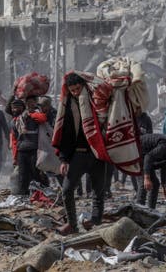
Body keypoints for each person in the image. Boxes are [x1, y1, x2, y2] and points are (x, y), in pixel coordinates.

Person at [53, 73, 108, 235]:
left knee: (98, 191)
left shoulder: (96, 100)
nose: (76, 92)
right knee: (67, 190)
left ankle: (95, 222)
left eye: (78, 88)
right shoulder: (68, 105)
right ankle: (72, 224)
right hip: (78, 154)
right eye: (73, 90)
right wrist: (63, 159)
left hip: (97, 152)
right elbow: (66, 132)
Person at [9, 97, 47, 195]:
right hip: (21, 150)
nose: (14, 110)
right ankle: (23, 195)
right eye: (13, 108)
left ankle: (41, 193)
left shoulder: (34, 115)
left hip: (34, 150)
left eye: (17, 107)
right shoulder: (15, 121)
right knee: (22, 175)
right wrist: (14, 157)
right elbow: (14, 141)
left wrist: (30, 113)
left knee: (36, 173)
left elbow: (43, 118)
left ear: (22, 108)